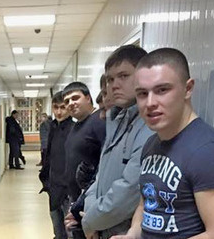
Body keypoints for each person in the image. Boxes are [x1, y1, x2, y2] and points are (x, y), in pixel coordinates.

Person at [111, 48, 214, 239]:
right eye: (142, 94)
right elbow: (146, 204)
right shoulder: (151, 144)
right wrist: (133, 234)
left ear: (188, 89)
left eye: (162, 90)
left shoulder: (210, 152)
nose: (150, 103)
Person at [75, 45, 153, 239]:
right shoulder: (117, 120)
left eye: (123, 76)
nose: (114, 85)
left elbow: (130, 190)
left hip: (125, 232)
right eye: (110, 79)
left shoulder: (150, 125)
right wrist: (91, 215)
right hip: (103, 227)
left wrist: (90, 220)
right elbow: (101, 177)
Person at [61, 82, 106, 239]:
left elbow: (104, 164)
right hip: (76, 200)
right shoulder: (76, 125)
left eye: (75, 98)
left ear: (88, 98)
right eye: (67, 101)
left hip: (89, 202)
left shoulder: (99, 121)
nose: (71, 103)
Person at [39, 91, 74, 239]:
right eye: (55, 107)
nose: (59, 112)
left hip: (68, 191)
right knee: (58, 231)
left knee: (71, 232)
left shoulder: (74, 129)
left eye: (63, 107)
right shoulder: (52, 127)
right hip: (53, 188)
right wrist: (45, 180)